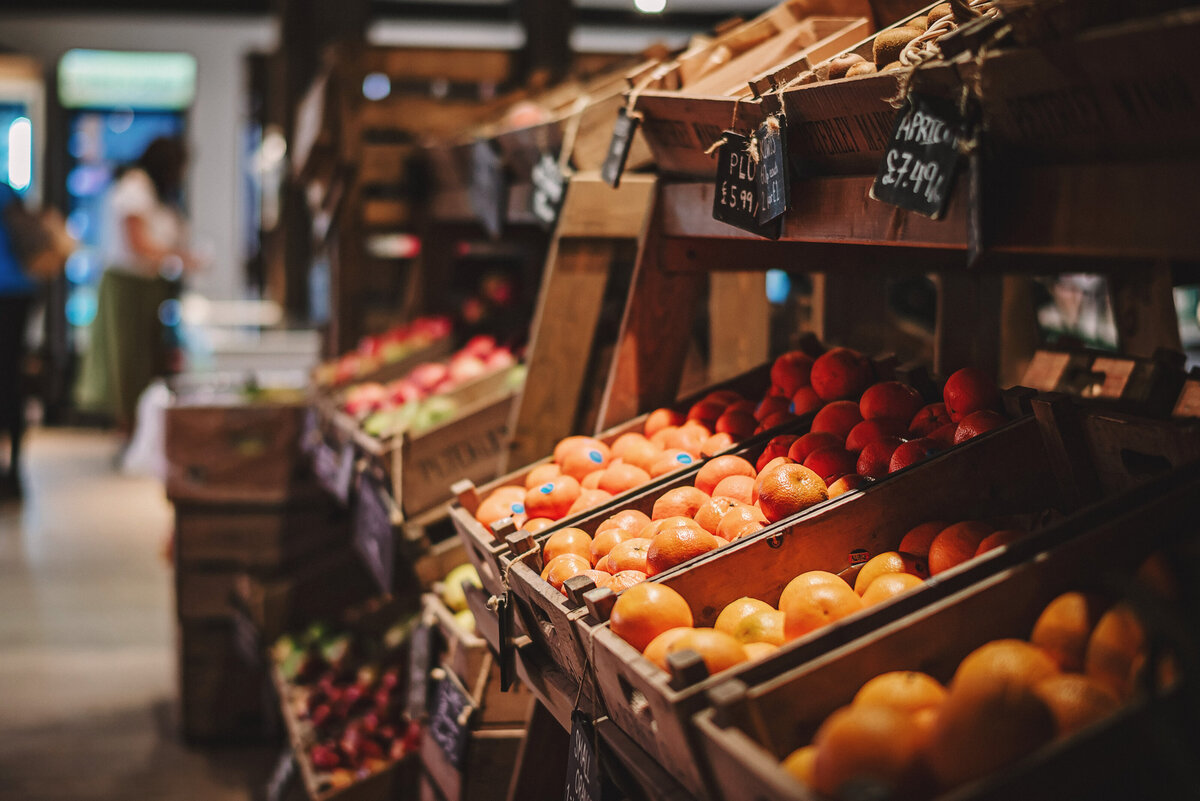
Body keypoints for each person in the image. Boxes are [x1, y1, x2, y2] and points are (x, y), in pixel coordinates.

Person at [75, 136, 195, 440]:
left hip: (148, 286)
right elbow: (138, 244)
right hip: (128, 287)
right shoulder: (135, 188)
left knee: (145, 360)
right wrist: (181, 257)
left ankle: (142, 434)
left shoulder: (153, 193)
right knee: (128, 362)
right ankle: (130, 432)